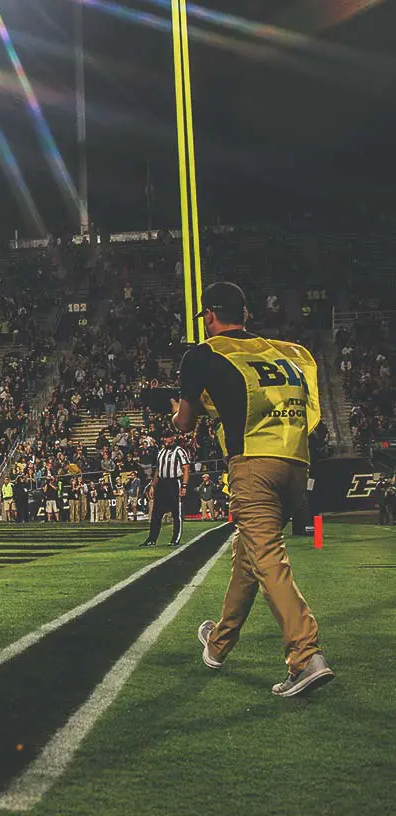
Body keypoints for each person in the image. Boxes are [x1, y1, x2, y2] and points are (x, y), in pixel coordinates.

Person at [176, 281, 333, 698]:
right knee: (247, 558)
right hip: (296, 462)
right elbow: (311, 411)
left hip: (253, 466)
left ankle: (305, 655)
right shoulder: (290, 352)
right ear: (244, 314)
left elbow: (185, 423)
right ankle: (218, 644)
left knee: (267, 558)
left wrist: (177, 412)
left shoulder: (203, 354)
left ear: (210, 315)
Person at [142, 430, 191, 546]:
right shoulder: (161, 452)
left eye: (167, 437)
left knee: (176, 512)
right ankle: (152, 539)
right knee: (156, 513)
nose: (165, 439)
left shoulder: (179, 451)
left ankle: (175, 538)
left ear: (173, 438)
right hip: (162, 484)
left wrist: (184, 486)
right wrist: (153, 486)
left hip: (174, 482)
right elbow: (158, 471)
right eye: (164, 437)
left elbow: (186, 469)